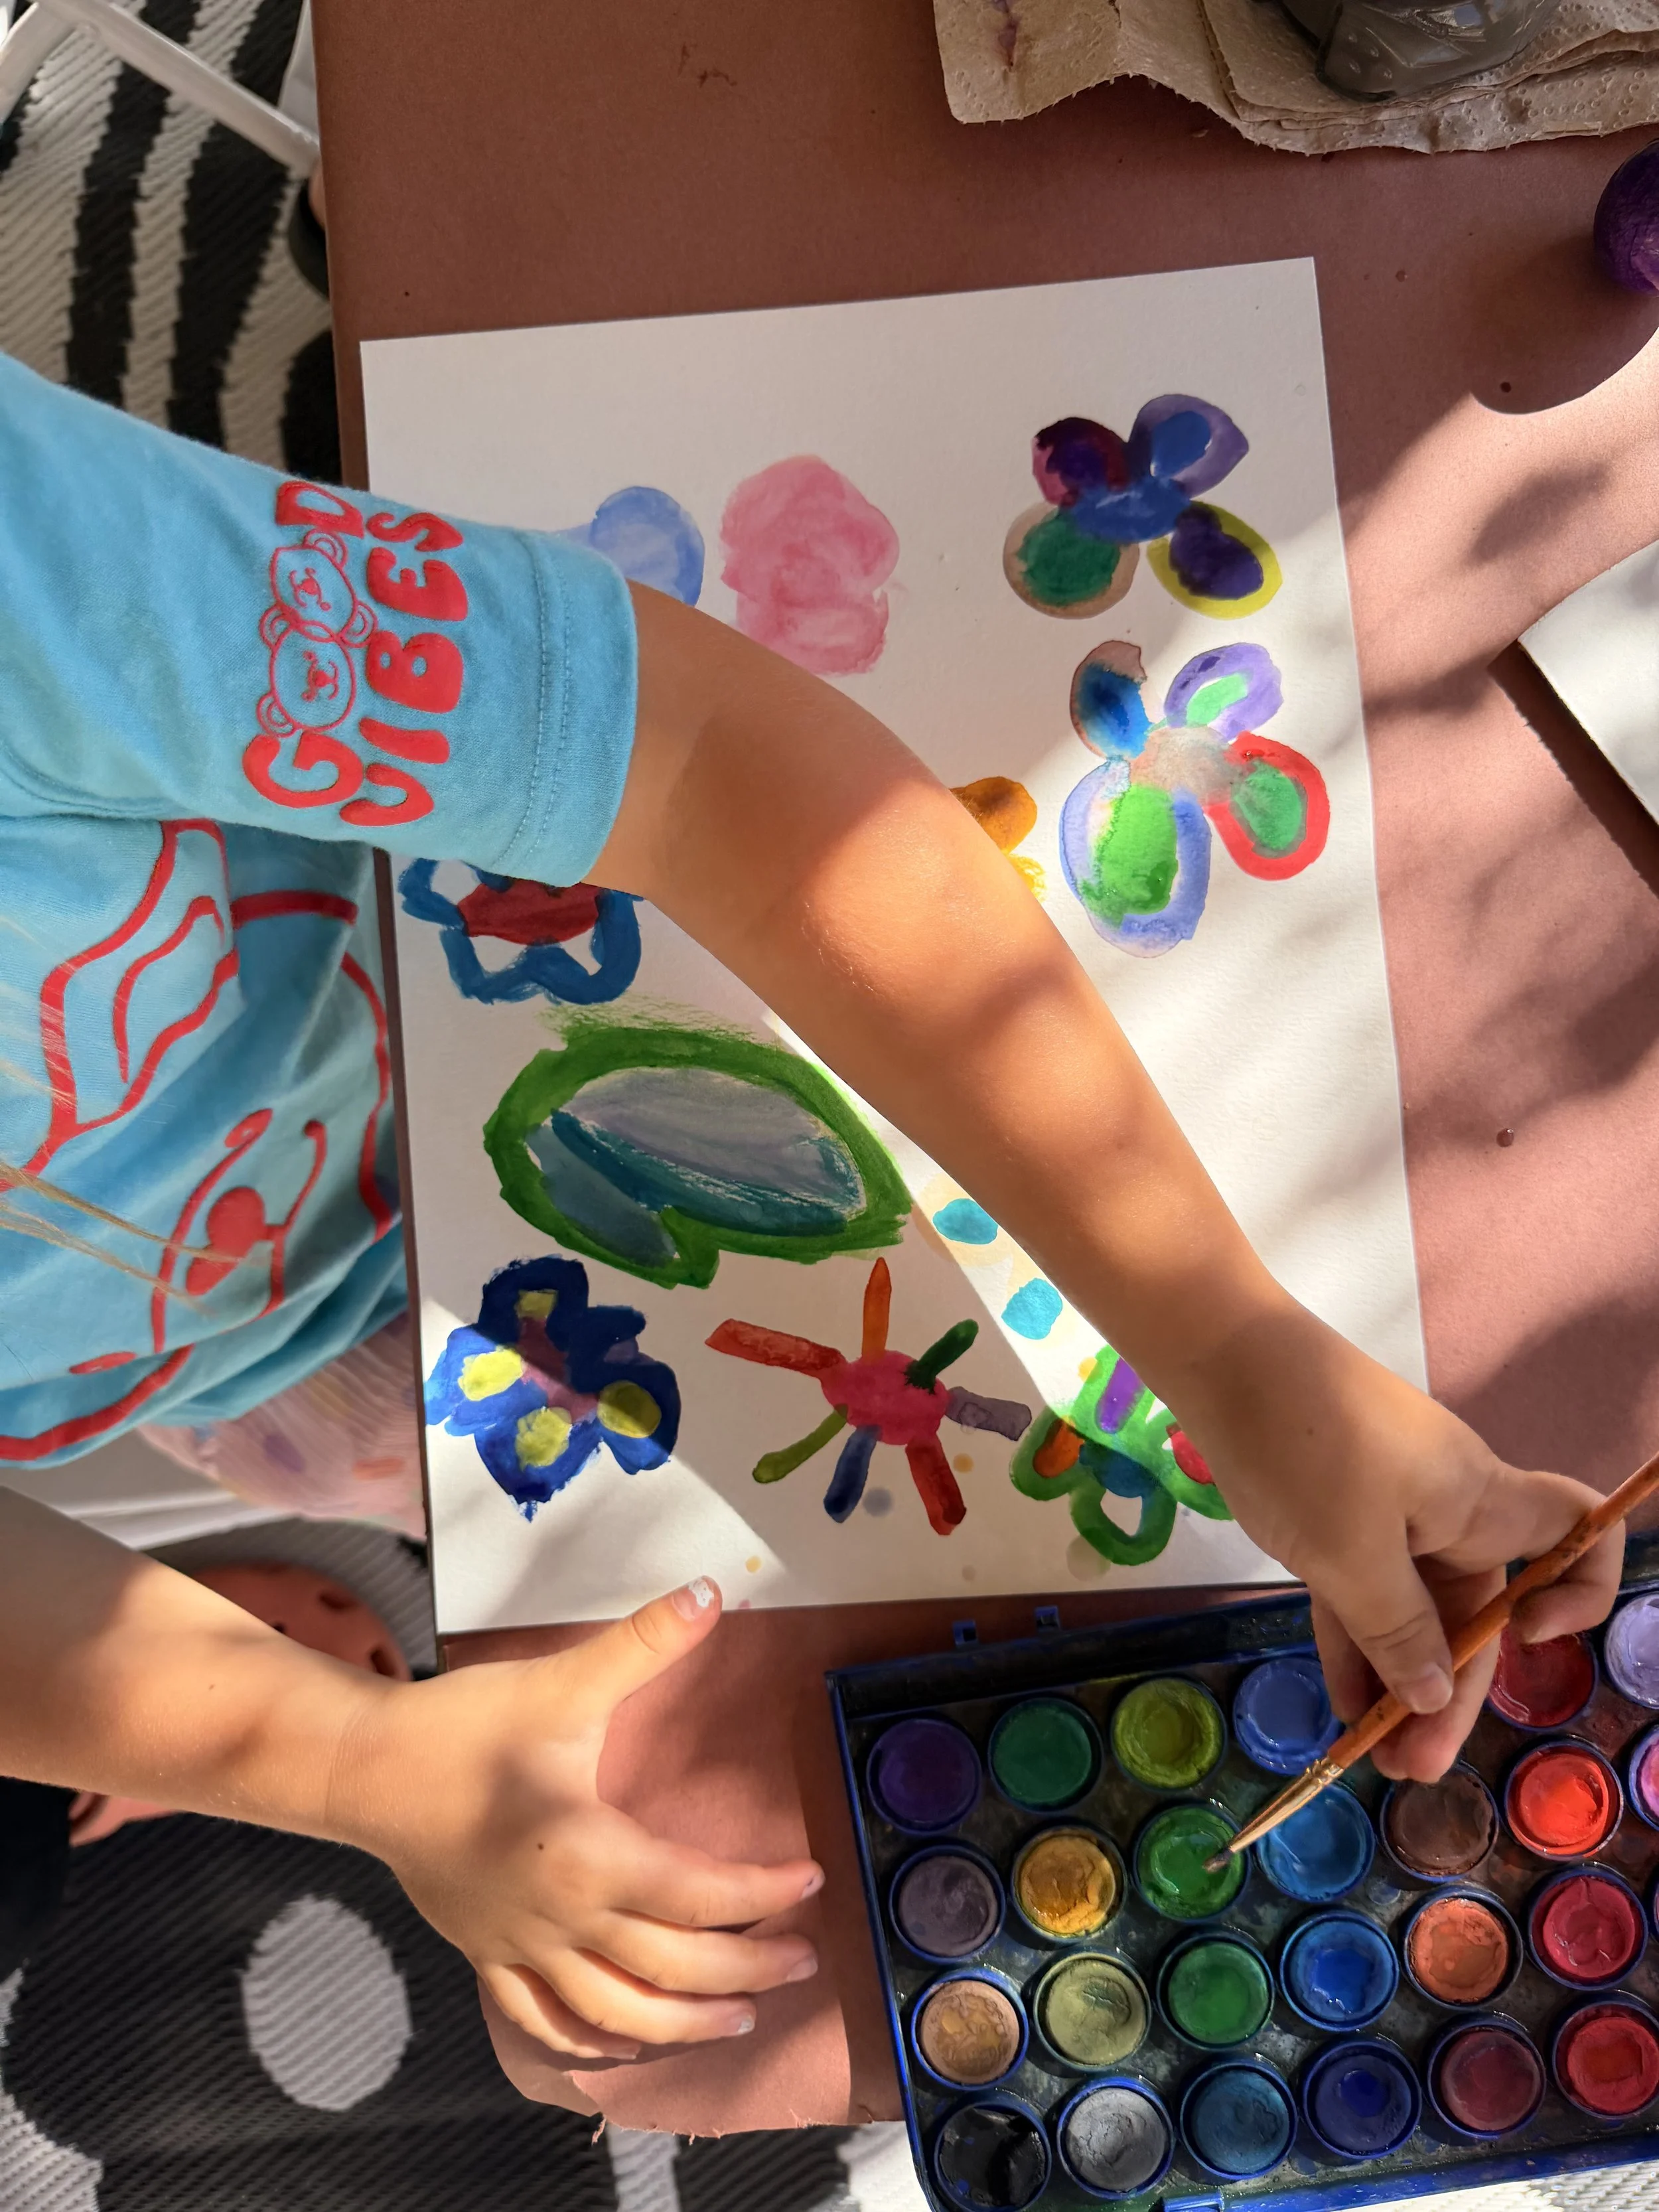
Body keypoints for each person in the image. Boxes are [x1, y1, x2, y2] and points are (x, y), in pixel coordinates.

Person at [0, 351, 1621, 2065]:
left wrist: (1220, 1336)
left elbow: (706, 765)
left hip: (455, 922)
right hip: (259, 1381)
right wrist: (343, 1762)